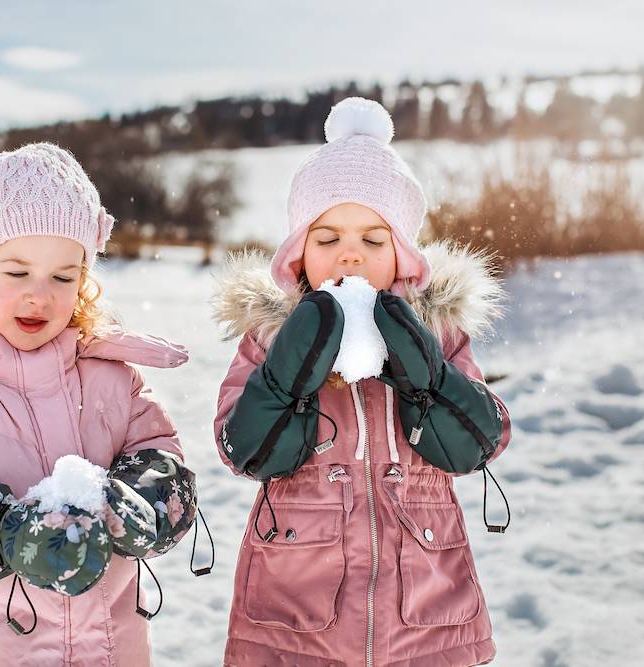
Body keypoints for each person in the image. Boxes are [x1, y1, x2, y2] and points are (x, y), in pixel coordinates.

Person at [212, 97, 513, 666]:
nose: (349, 255)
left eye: (373, 240)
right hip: (296, 611)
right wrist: (286, 374)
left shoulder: (438, 333)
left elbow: (482, 443)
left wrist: (426, 377)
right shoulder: (267, 338)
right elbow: (240, 448)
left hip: (425, 607)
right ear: (298, 256)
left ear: (404, 258)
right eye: (327, 239)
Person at [0, 142, 198, 666]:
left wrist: (138, 508)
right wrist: (7, 533)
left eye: (63, 277)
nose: (39, 295)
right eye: (17, 272)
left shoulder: (113, 377)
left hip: (109, 647)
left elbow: (163, 462)